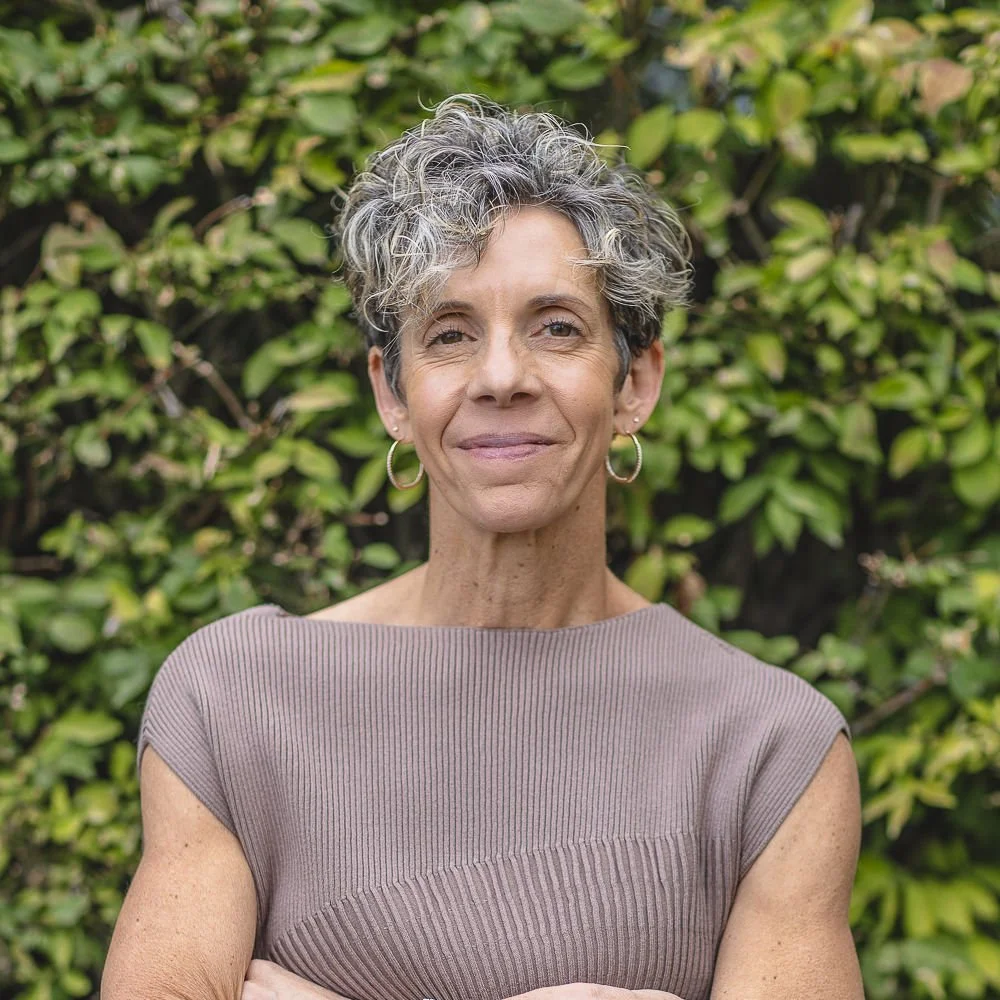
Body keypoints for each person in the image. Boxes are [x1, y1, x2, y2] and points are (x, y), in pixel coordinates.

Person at [101, 95, 863, 1000]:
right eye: (451, 334)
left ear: (636, 383)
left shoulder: (774, 751)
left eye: (557, 327)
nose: (502, 377)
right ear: (393, 394)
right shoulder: (233, 704)